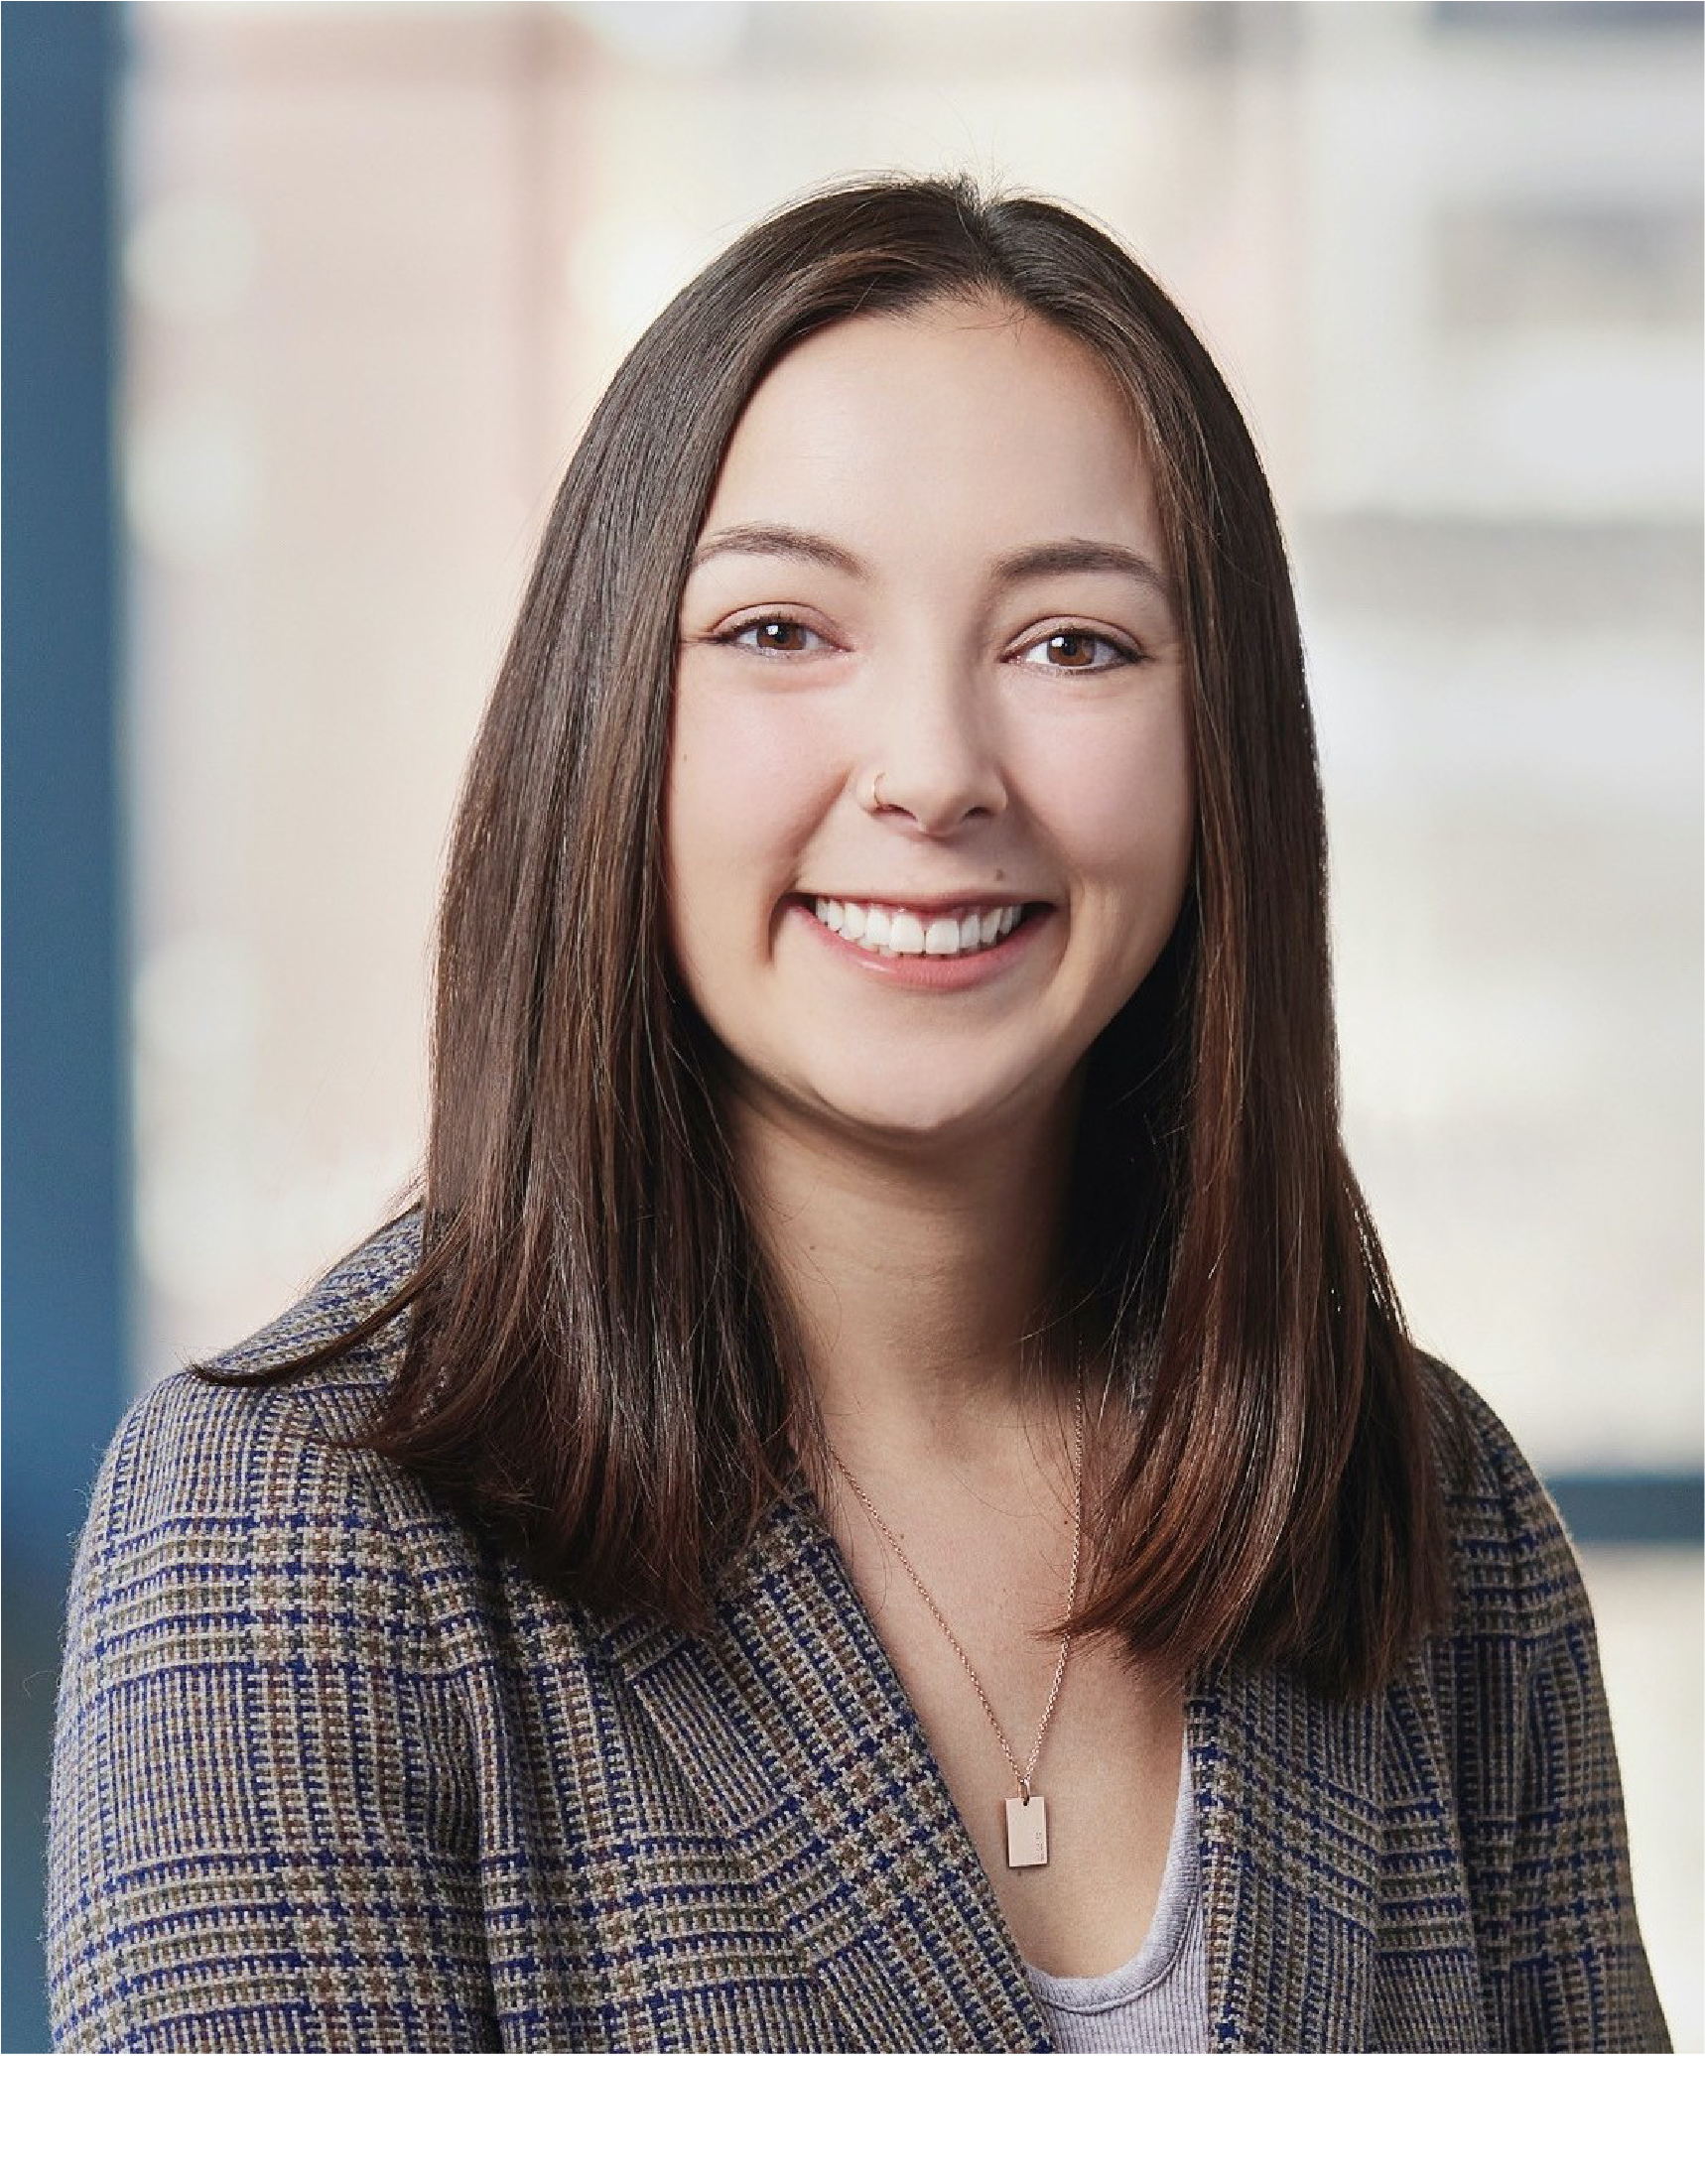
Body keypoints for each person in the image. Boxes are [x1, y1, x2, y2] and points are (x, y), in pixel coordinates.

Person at [50, 181, 1662, 2055]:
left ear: (1225, 745)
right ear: (609, 721)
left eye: (1073, 644)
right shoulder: (300, 1533)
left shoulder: (1427, 1512)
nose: (929, 774)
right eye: (778, 629)